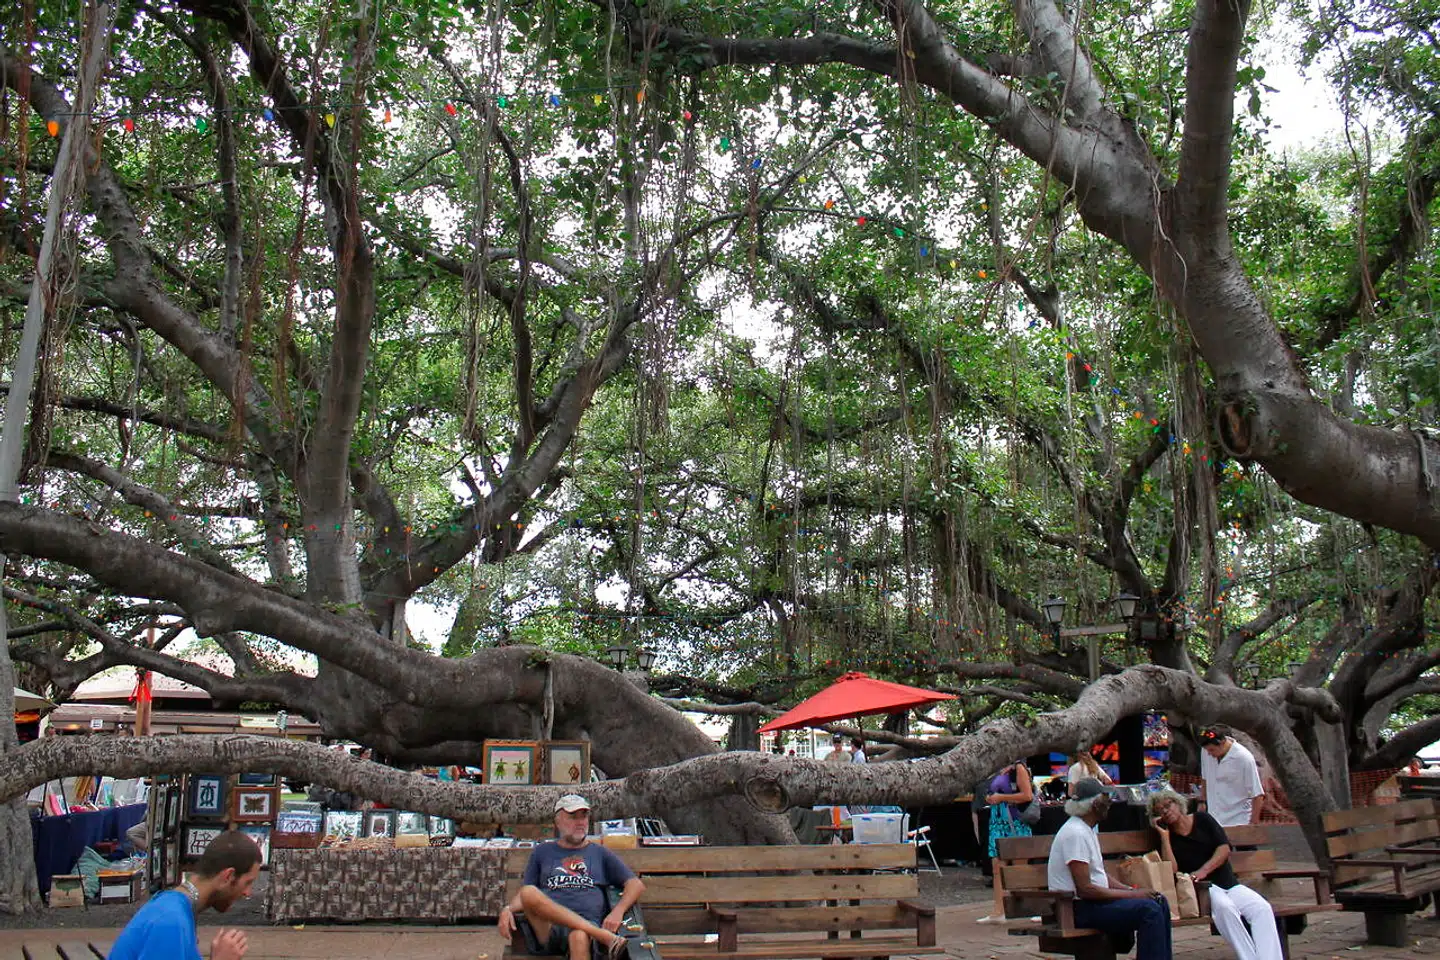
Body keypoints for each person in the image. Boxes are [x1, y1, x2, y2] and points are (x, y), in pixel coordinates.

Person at [499, 795, 644, 960]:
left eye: (584, 816)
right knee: (528, 892)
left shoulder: (600, 853)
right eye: (573, 817)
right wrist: (508, 909)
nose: (580, 822)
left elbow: (635, 884)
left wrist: (617, 912)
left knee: (579, 936)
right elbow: (526, 894)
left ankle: (596, 933)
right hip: (549, 927)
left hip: (588, 925)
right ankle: (604, 937)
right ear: (558, 821)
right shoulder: (542, 851)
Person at [1048, 778, 1172, 960]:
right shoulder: (1075, 833)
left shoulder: (1086, 829)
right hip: (1077, 909)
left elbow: (1100, 875)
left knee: (1160, 902)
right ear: (1094, 804)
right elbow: (1085, 890)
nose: (1110, 803)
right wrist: (1134, 895)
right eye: (1105, 799)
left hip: (1093, 904)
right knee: (1149, 911)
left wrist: (1131, 890)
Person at [1149, 789, 1279, 960]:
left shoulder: (1203, 819)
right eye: (1160, 810)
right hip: (1203, 890)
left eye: (1168, 805)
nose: (1166, 811)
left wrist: (1204, 870)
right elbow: (1171, 870)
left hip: (1229, 883)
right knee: (1226, 909)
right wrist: (1164, 837)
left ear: (1178, 803)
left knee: (1261, 908)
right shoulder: (1168, 837)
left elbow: (1224, 848)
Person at [109, 830, 261, 960]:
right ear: (228, 876)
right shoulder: (171, 920)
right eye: (248, 882)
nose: (248, 892)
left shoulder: (176, 906)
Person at [1197, 726, 1265, 826]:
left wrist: (1253, 823)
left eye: (1212, 750)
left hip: (1238, 820)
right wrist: (1202, 801)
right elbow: (1205, 776)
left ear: (1222, 743)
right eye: (1207, 750)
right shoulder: (1206, 752)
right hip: (1214, 817)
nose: (1209, 754)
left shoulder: (1244, 758)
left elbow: (1257, 794)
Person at [985, 761, 1034, 859]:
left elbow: (1027, 795)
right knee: (997, 861)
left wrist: (1001, 797)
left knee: (1017, 862)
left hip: (1014, 822)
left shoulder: (1018, 767)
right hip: (997, 823)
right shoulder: (996, 766)